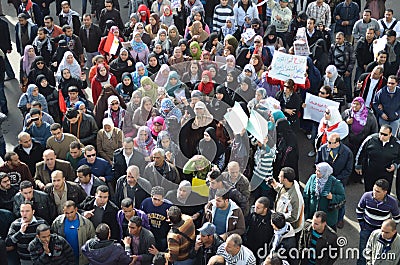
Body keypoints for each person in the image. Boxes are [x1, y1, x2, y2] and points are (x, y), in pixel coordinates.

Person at [356, 179, 400, 265]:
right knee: (363, 252)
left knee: (378, 253)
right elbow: (359, 210)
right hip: (366, 229)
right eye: (374, 189)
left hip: (381, 232)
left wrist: (389, 229)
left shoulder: (392, 202)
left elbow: (396, 218)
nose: (374, 193)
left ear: (385, 192)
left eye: (378, 191)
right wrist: (362, 225)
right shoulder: (366, 196)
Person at [355, 124, 400, 194]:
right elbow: (361, 152)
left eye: (385, 134)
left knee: (384, 192)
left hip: (386, 174)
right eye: (380, 133)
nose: (382, 136)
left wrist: (395, 165)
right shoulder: (370, 139)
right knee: (369, 191)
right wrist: (358, 165)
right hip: (370, 171)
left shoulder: (397, 144)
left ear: (390, 134)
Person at [51, 200, 95, 265]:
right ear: (63, 211)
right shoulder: (58, 222)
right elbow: (53, 238)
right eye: (67, 213)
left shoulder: (86, 223)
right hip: (64, 259)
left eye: (71, 212)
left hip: (82, 259)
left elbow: (92, 241)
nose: (69, 215)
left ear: (76, 209)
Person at [303, 162, 345, 229]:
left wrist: (333, 197)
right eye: (316, 170)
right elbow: (306, 193)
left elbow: (342, 197)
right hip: (312, 214)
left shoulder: (335, 183)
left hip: (328, 218)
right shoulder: (313, 178)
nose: (316, 172)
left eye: (319, 171)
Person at [270, 167, 305, 235]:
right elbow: (284, 192)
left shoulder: (295, 198)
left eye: (280, 176)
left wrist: (278, 218)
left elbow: (294, 217)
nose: (278, 177)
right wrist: (275, 185)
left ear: (285, 179)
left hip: (290, 228)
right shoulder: (288, 185)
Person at [140, 186, 172, 251]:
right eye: (155, 199)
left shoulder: (169, 206)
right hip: (149, 234)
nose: (157, 202)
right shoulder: (145, 203)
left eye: (159, 200)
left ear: (163, 198)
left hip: (162, 236)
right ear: (151, 196)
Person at [244, 197, 273, 264]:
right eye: (255, 206)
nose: (255, 209)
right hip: (250, 244)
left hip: (262, 248)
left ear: (265, 209)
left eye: (258, 208)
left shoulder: (270, 219)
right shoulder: (252, 213)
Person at [329, 32, 356, 101]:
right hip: (336, 70)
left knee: (347, 85)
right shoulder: (333, 47)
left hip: (345, 69)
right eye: (336, 38)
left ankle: (349, 100)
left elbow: (352, 59)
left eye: (339, 38)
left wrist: (349, 70)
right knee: (335, 86)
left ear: (343, 38)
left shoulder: (349, 46)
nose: (338, 40)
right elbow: (330, 58)